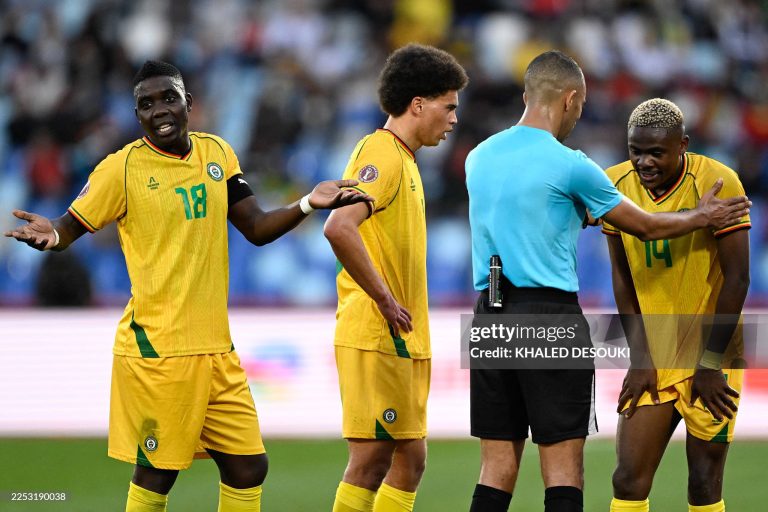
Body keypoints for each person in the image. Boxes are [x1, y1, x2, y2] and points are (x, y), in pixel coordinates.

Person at [5, 60, 371, 512]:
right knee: (158, 472)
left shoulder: (217, 153)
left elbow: (255, 226)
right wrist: (53, 235)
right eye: (146, 104)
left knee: (248, 466)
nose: (159, 110)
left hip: (216, 347)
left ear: (188, 104)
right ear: (136, 114)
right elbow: (67, 227)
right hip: (160, 347)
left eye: (168, 98)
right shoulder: (120, 169)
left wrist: (306, 203)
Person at [464, 51, 750, 512]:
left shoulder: (478, 157)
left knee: (496, 467)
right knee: (565, 469)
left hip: (490, 315)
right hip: (548, 315)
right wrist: (703, 215)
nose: (642, 161)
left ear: (526, 96)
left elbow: (737, 276)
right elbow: (647, 227)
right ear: (571, 99)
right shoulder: (575, 166)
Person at [323, 43, 468, 512]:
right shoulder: (380, 153)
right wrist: (384, 299)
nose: (453, 120)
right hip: (377, 335)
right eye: (448, 107)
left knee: (410, 462)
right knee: (370, 463)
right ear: (418, 104)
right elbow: (338, 226)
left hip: (401, 338)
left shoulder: (404, 158)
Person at [603, 99, 749, 512]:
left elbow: (738, 278)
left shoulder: (719, 182)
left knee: (704, 484)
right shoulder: (613, 184)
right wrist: (640, 357)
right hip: (654, 346)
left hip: (712, 349)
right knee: (628, 480)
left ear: (682, 145)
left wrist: (709, 363)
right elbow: (622, 276)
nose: (643, 162)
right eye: (635, 150)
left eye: (656, 152)